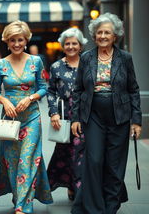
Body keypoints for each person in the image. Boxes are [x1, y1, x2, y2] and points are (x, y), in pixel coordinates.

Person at [71, 13, 142, 214]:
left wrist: (136, 121)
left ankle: (111, 206)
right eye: (99, 32)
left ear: (115, 36)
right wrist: (75, 117)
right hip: (93, 115)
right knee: (93, 160)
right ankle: (94, 208)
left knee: (115, 164)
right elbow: (78, 90)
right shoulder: (86, 58)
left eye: (107, 32)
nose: (103, 36)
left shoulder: (125, 58)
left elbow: (133, 89)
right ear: (94, 36)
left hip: (119, 115)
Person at [0, 20, 53, 214]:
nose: (16, 44)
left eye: (20, 40)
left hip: (32, 117)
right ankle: (19, 196)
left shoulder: (36, 61)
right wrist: (4, 101)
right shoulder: (0, 64)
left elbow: (43, 87)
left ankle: (22, 206)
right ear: (7, 42)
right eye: (12, 40)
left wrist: (31, 97)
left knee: (28, 159)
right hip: (9, 120)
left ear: (26, 41)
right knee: (12, 161)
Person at [47, 28, 87, 201]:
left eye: (74, 43)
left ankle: (79, 191)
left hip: (86, 115)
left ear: (80, 46)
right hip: (64, 115)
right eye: (67, 44)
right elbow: (50, 92)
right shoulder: (56, 67)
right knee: (65, 152)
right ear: (63, 46)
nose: (71, 46)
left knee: (81, 152)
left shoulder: (88, 63)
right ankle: (71, 185)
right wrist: (53, 113)